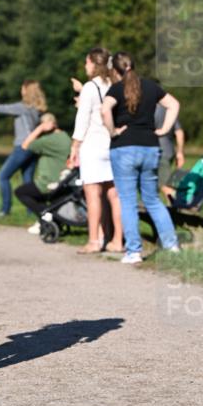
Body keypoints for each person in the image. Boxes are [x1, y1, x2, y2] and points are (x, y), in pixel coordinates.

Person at [101, 53, 181, 264]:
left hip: (124, 148)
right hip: (150, 148)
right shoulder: (151, 86)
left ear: (115, 70)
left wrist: (113, 132)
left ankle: (134, 252)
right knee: (152, 199)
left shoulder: (116, 89)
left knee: (127, 201)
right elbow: (174, 104)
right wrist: (164, 129)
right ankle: (171, 245)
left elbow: (104, 109)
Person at [69, 48, 124, 254]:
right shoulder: (115, 84)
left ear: (93, 63)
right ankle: (117, 239)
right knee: (114, 196)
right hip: (113, 144)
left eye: (87, 62)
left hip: (92, 146)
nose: (85, 66)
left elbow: (82, 120)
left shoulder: (90, 87)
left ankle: (94, 240)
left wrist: (74, 146)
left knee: (93, 195)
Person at [0, 80, 47, 216]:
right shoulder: (37, 109)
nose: (21, 90)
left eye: (22, 88)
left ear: (26, 90)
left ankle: (5, 210)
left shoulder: (22, 107)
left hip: (23, 146)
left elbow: (0, 108)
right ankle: (32, 211)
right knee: (28, 178)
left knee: (3, 176)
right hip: (34, 147)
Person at [14, 113, 72, 228]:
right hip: (63, 181)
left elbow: (25, 145)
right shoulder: (65, 136)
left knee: (20, 192)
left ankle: (46, 213)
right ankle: (47, 218)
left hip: (48, 182)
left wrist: (39, 129)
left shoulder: (49, 140)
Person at [155, 102, 185, 199]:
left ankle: (182, 203)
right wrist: (180, 152)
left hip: (158, 153)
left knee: (165, 186)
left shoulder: (147, 107)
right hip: (169, 151)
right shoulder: (168, 109)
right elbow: (179, 132)